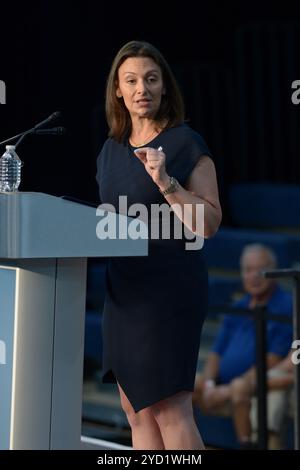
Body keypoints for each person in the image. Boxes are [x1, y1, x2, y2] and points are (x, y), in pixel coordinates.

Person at [95, 40, 222, 450]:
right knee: (136, 410)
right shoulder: (110, 151)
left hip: (170, 291)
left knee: (170, 409)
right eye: (131, 80)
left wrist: (167, 184)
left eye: (151, 79)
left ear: (165, 86)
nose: (141, 89)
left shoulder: (186, 144)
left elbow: (209, 224)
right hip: (124, 292)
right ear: (118, 89)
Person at [192, 244, 293, 447]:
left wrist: (228, 389)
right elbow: (215, 354)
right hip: (223, 384)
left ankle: (245, 445)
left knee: (240, 389)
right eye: (248, 270)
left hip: (257, 384)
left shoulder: (286, 307)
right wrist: (210, 384)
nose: (254, 276)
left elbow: (272, 360)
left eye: (259, 269)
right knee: (186, 384)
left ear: (273, 271)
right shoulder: (238, 307)